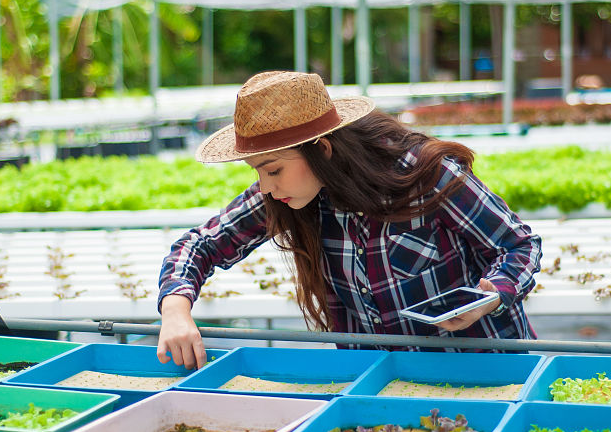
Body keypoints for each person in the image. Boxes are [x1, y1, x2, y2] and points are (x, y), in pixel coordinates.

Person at [156, 71, 542, 368]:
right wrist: (175, 309)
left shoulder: (427, 173)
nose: (266, 187)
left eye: (272, 170)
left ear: (322, 150)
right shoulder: (290, 196)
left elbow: (518, 245)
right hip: (382, 383)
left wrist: (490, 296)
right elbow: (200, 244)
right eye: (257, 172)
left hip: (484, 369)